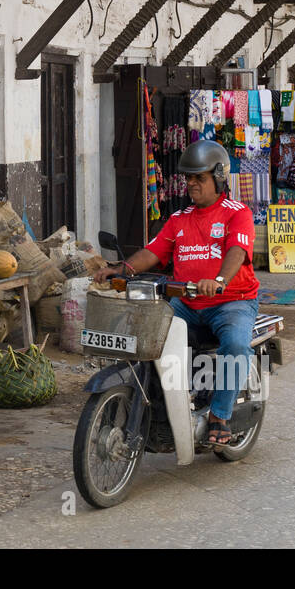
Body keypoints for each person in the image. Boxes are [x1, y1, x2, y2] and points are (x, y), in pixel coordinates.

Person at [93, 140, 259, 447]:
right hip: (186, 303)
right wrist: (122, 269)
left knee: (235, 346)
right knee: (144, 331)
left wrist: (219, 279)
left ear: (218, 177)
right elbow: (153, 252)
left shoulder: (237, 214)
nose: (191, 184)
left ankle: (220, 415)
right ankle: (160, 397)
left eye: (199, 178)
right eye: (189, 178)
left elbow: (237, 251)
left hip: (231, 302)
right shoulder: (179, 218)